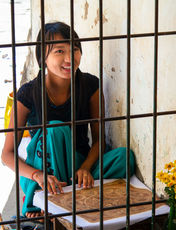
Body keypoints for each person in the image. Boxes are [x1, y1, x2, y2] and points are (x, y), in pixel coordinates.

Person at [1, 21, 135, 218]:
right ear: (42, 58)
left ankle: (65, 196)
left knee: (125, 157)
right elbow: (7, 154)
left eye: (74, 49)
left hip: (77, 165)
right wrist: (37, 175)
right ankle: (47, 199)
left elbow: (99, 141)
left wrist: (85, 168)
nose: (69, 58)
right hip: (43, 172)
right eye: (59, 51)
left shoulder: (90, 86)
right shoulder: (28, 94)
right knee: (56, 129)